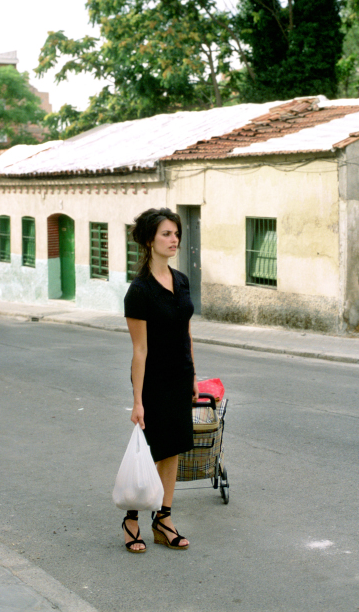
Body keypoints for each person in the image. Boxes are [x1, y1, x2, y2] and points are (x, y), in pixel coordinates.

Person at [122, 207, 199, 553]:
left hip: (181, 378)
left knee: (174, 450)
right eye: (166, 233)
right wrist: (138, 400)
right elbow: (139, 350)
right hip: (154, 382)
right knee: (150, 452)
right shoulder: (139, 291)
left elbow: (187, 332)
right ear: (150, 241)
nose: (174, 239)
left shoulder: (180, 280)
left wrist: (194, 374)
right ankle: (132, 518)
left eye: (176, 233)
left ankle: (163, 518)